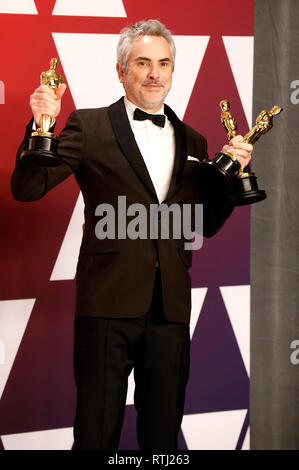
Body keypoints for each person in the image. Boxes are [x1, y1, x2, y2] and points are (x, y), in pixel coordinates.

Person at [11, 20, 252, 450]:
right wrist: (40, 124)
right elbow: (28, 190)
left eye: (164, 63)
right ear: (122, 71)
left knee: (161, 439)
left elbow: (205, 224)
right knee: (95, 436)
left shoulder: (194, 139)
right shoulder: (88, 126)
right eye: (143, 62)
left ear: (173, 71)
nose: (155, 73)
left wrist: (231, 177)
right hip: (106, 307)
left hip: (171, 311)